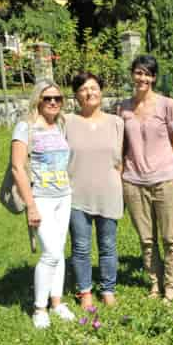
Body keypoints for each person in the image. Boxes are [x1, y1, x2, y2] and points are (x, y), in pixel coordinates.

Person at [118, 54, 173, 302]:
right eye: (138, 72)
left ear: (154, 78)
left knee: (171, 238)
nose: (142, 78)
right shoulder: (123, 108)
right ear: (132, 74)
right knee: (147, 240)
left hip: (166, 179)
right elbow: (123, 144)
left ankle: (171, 288)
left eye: (147, 74)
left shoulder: (167, 104)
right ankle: (155, 285)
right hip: (134, 181)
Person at [10, 79, 76, 327]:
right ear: (37, 99)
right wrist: (31, 206)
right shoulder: (25, 127)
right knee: (50, 252)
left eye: (57, 99)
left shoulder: (60, 125)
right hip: (41, 198)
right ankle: (39, 308)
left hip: (63, 196)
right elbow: (17, 168)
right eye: (47, 98)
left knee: (59, 251)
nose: (52, 102)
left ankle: (57, 303)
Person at [64, 72, 124, 309]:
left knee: (108, 245)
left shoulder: (116, 123)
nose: (90, 92)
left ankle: (108, 290)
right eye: (84, 89)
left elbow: (120, 160)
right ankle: (85, 291)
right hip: (76, 193)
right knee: (80, 246)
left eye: (94, 87)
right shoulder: (66, 121)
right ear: (76, 95)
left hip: (108, 192)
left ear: (101, 91)